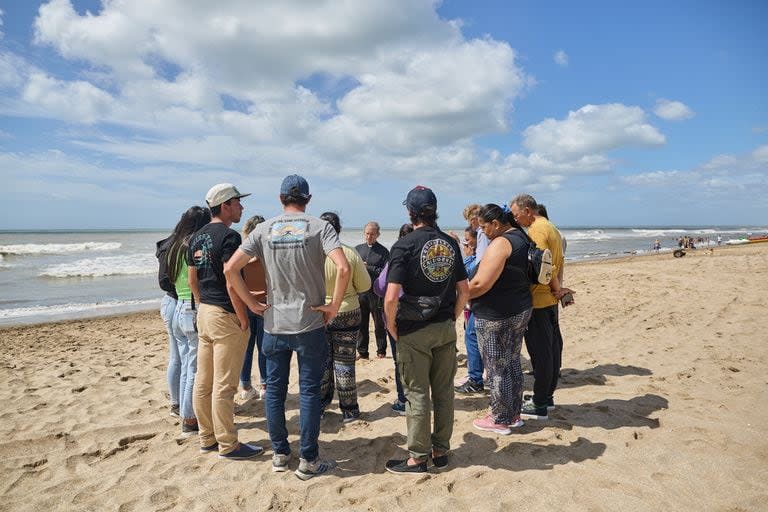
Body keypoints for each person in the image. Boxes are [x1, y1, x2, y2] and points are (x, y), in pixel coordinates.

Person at [225, 174, 350, 481]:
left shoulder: (264, 229)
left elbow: (230, 269)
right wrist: (333, 306)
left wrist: (252, 305)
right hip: (309, 322)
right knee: (308, 392)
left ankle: (280, 454)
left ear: (281, 199)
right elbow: (344, 267)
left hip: (274, 324)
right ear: (308, 199)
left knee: (275, 392)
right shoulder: (321, 227)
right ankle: (308, 459)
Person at [384, 186, 469, 474]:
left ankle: (418, 457)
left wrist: (389, 325)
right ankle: (441, 451)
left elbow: (392, 295)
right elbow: (464, 290)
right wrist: (453, 317)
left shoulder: (404, 245)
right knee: (444, 392)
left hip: (414, 329)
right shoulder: (450, 242)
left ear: (410, 212)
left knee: (417, 394)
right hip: (445, 326)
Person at [188, 183, 264, 460]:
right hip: (225, 313)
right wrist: (246, 312)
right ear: (225, 206)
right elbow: (232, 280)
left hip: (205, 312)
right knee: (224, 385)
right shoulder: (230, 237)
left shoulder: (196, 237)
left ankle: (207, 438)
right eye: (237, 202)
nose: (241, 207)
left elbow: (192, 280)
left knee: (203, 382)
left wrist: (201, 306)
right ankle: (228, 444)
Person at [467, 204, 533, 434]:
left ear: (496, 224)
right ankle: (514, 413)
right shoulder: (521, 238)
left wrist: (458, 295)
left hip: (497, 314)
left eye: (484, 226)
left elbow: (481, 283)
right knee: (512, 361)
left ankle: (500, 418)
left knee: (496, 367)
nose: (482, 231)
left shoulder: (501, 243)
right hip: (520, 308)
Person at [510, 194, 573, 420]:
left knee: (541, 353)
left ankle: (540, 402)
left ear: (528, 210)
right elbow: (558, 263)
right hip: (550, 299)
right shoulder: (552, 227)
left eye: (517, 215)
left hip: (538, 300)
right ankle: (547, 397)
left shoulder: (536, 230)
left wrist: (555, 287)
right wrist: (559, 289)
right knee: (553, 348)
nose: (516, 220)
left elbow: (542, 264)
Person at [318, 212, 371, 423]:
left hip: (320, 312)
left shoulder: (312, 254)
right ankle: (349, 410)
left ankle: (320, 406)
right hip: (347, 311)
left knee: (321, 362)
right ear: (338, 230)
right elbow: (365, 285)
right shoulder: (349, 253)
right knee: (345, 362)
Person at [166, 206, 212, 437]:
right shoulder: (193, 245)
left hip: (177, 307)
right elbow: (199, 277)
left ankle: (185, 412)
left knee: (185, 364)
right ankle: (190, 419)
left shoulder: (173, 245)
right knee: (194, 366)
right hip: (191, 307)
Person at [372, 223, 414, 415]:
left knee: (400, 360)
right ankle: (418, 398)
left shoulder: (396, 258)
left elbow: (380, 288)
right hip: (425, 314)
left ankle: (404, 400)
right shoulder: (426, 255)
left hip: (398, 314)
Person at [239, 215, 268, 401]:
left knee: (246, 348)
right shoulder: (267, 252)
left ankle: (246, 387)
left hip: (246, 303)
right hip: (265, 304)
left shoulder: (241, 253)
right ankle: (265, 385)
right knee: (264, 347)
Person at [355, 221, 390, 358]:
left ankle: (381, 351)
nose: (369, 237)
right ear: (364, 233)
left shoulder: (383, 252)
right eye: (367, 233)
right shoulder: (357, 249)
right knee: (362, 324)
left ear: (378, 235)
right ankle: (363, 352)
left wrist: (368, 267)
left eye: (372, 234)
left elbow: (386, 272)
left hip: (376, 294)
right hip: (361, 293)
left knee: (379, 324)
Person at [156, 233, 180, 418]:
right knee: (188, 359)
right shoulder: (185, 246)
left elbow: (164, 281)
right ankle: (184, 404)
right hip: (181, 302)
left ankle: (175, 402)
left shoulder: (167, 246)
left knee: (175, 357)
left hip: (167, 301)